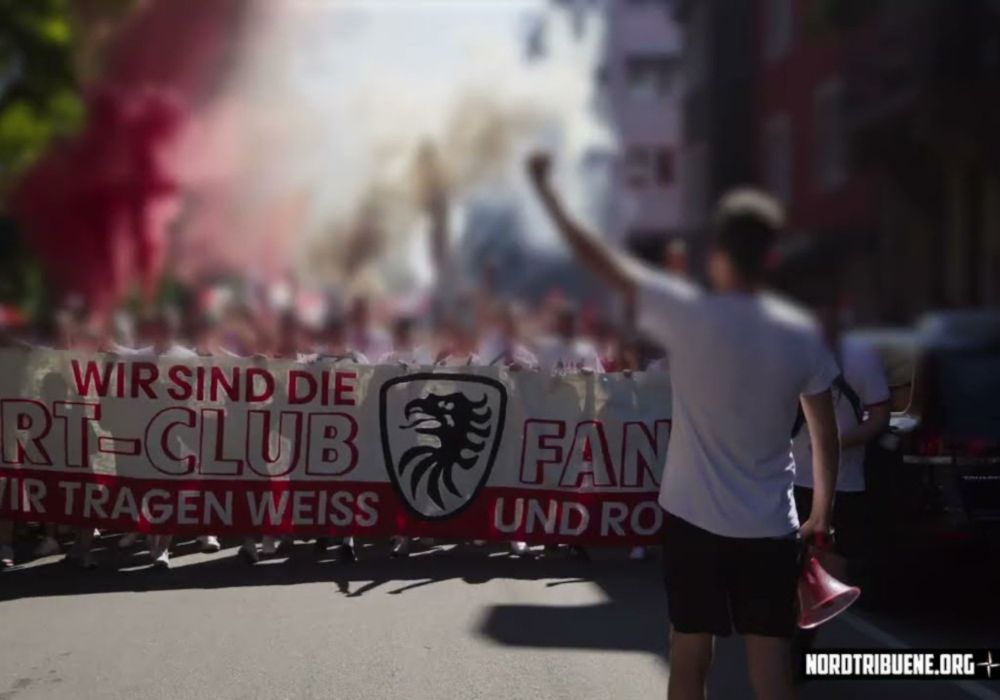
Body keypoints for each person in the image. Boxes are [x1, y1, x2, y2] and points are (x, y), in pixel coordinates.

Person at [528, 153, 841, 700]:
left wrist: (547, 191)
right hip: (770, 525)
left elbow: (598, 260)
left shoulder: (687, 314)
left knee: (689, 654)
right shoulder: (800, 334)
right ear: (770, 258)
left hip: (692, 520)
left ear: (718, 255)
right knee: (770, 667)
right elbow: (825, 429)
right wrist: (821, 513)